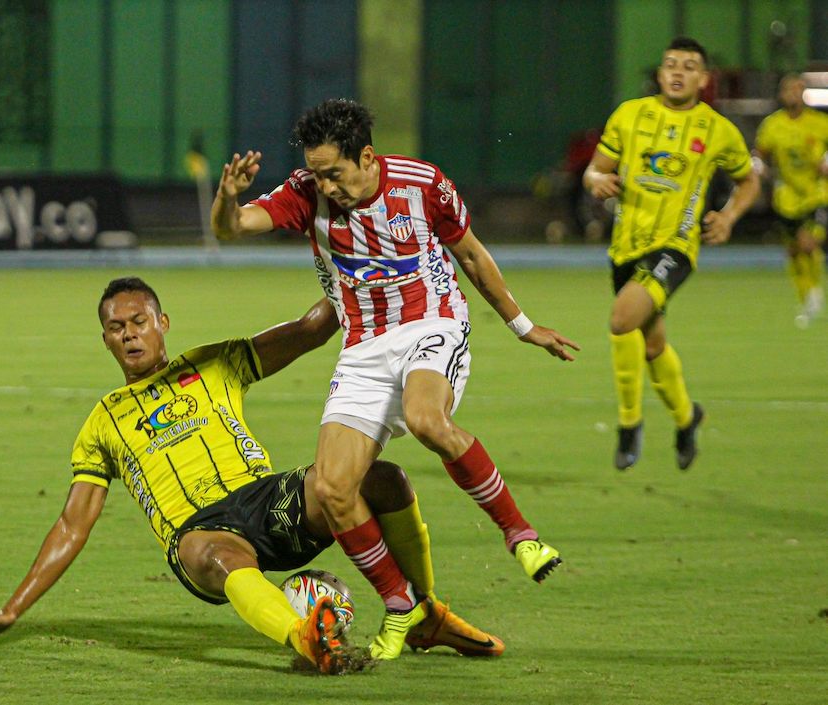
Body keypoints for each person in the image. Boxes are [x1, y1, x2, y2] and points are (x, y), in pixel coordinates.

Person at [0, 277, 504, 675]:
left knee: (382, 479)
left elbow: (311, 329)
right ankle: (306, 639)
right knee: (213, 555)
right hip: (200, 531)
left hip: (269, 501)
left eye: (139, 322)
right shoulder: (102, 421)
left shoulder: (212, 364)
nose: (130, 335)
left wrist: (359, 270)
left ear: (162, 323)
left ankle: (425, 612)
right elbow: (73, 523)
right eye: (116, 329)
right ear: (106, 341)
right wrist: (15, 608)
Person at [211, 99, 579, 659]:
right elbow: (234, 227)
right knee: (334, 489)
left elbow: (473, 257)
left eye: (335, 172)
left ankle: (520, 535)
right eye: (317, 173)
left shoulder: (423, 184)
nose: (326, 185)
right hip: (362, 346)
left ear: (366, 155)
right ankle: (402, 606)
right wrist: (226, 197)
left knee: (428, 418)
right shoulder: (306, 191)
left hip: (432, 322)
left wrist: (522, 325)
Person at [583, 37, 760, 471]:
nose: (679, 72)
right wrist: (594, 182)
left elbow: (749, 181)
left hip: (676, 247)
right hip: (626, 246)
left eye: (689, 66)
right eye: (671, 65)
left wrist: (729, 216)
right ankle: (686, 417)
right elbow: (595, 168)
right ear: (660, 74)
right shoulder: (629, 115)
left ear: (703, 78)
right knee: (652, 343)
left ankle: (629, 426)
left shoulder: (718, 130)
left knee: (622, 319)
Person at [754, 73, 828, 328]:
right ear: (781, 94)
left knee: (809, 244)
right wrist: (759, 168)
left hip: (816, 193)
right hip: (786, 197)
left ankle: (815, 291)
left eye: (798, 89)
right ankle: (806, 297)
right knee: (794, 251)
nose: (793, 94)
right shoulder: (772, 125)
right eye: (789, 90)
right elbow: (761, 154)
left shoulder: (820, 123)